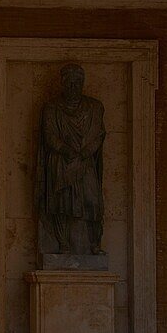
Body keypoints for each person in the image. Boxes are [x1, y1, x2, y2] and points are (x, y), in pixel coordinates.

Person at [34, 63, 106, 255]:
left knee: (93, 201)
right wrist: (65, 149)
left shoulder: (94, 107)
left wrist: (85, 152)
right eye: (69, 83)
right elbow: (49, 135)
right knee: (61, 204)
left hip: (85, 162)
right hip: (61, 163)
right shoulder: (51, 108)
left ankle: (94, 242)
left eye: (77, 82)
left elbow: (99, 134)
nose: (73, 87)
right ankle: (62, 243)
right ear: (63, 84)